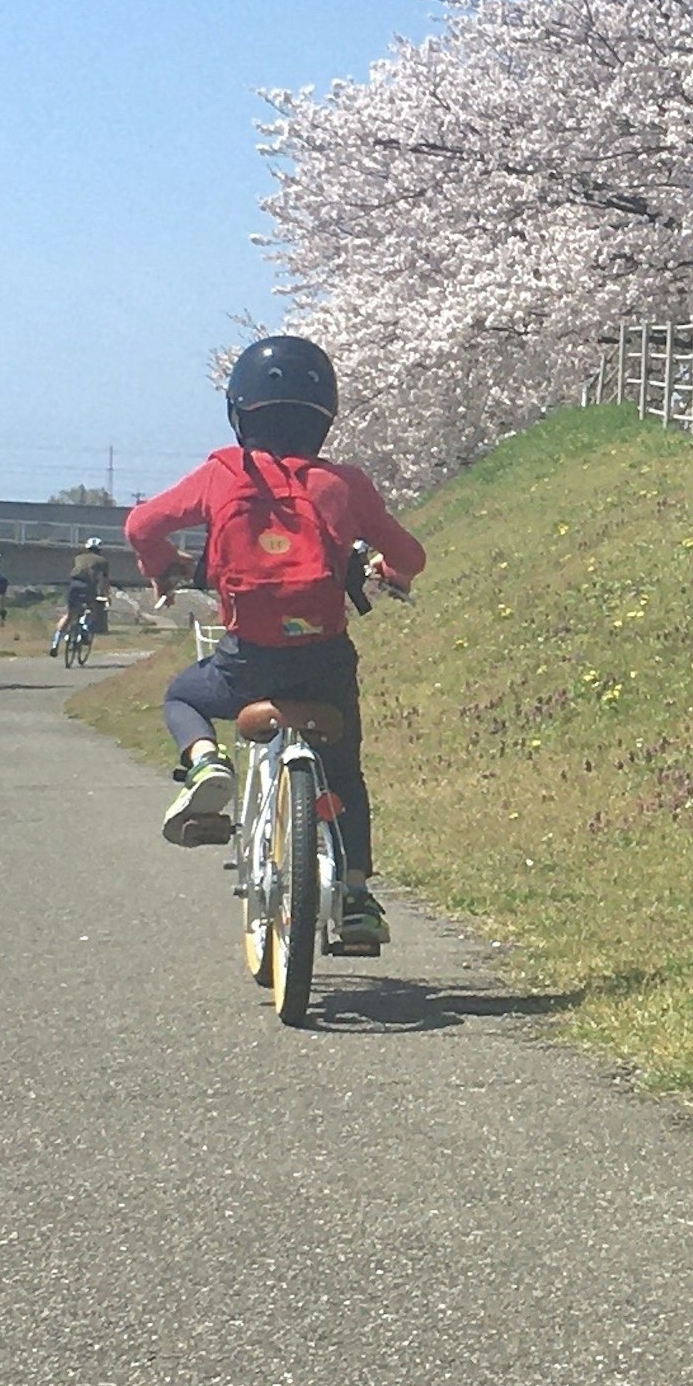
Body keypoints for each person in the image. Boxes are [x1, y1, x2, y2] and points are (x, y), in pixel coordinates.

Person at [124, 339, 425, 950]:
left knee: (183, 695)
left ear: (241, 413)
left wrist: (166, 565)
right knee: (345, 771)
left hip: (246, 664)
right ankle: (359, 897)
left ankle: (207, 762)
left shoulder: (221, 475)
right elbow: (412, 556)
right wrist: (389, 572)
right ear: (324, 416)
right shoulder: (344, 485)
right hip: (322, 663)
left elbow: (141, 525)